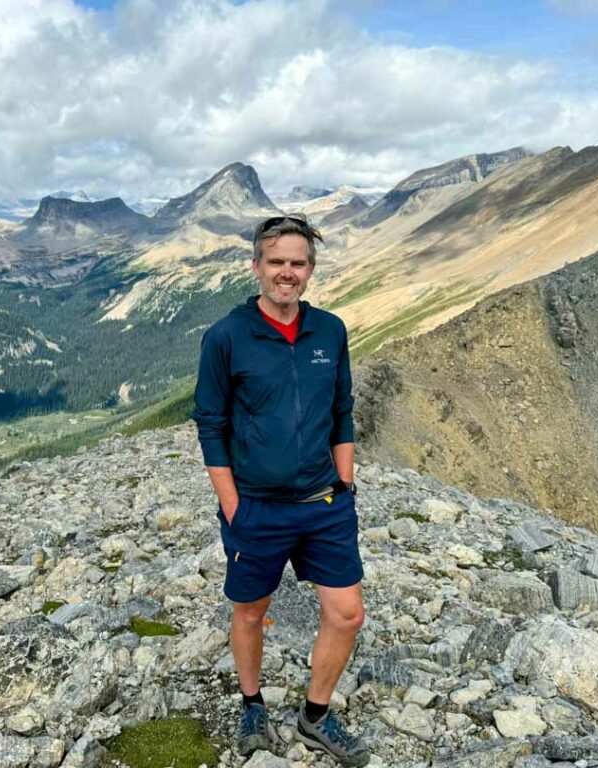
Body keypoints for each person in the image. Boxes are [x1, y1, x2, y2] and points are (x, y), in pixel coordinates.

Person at [192, 214, 369, 766]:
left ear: (310, 270)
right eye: (276, 263)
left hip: (323, 503)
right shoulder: (226, 336)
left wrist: (345, 483)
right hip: (257, 508)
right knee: (250, 611)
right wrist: (232, 505)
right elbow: (210, 422)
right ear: (256, 267)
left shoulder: (330, 331)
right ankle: (251, 703)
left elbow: (342, 410)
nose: (286, 273)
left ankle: (315, 716)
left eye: (297, 263)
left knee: (347, 614)